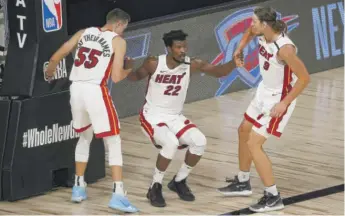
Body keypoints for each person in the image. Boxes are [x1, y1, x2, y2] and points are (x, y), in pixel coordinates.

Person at [127, 30, 243, 207]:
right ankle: (154, 186)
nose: (183, 50)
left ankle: (179, 181)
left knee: (200, 141)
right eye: (178, 47)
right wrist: (126, 66)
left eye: (184, 47)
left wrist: (234, 63)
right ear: (168, 48)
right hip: (152, 116)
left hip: (174, 116)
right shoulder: (154, 63)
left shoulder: (192, 64)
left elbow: (219, 72)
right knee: (170, 143)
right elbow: (134, 77)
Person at [217, 6, 310, 213]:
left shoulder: (285, 48)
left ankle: (273, 196)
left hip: (279, 100)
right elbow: (249, 33)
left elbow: (304, 78)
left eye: (254, 22)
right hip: (263, 92)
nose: (251, 26)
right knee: (243, 130)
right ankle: (242, 182)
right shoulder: (261, 33)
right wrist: (238, 49)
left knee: (254, 143)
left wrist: (284, 103)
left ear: (265, 25)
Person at [45, 8, 138, 213]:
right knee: (113, 140)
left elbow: (61, 52)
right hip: (96, 91)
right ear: (119, 24)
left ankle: (78, 187)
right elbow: (116, 77)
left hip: (76, 89)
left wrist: (50, 70)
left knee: (85, 137)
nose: (123, 32)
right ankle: (119, 195)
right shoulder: (118, 41)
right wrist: (128, 68)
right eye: (124, 28)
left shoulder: (83, 32)